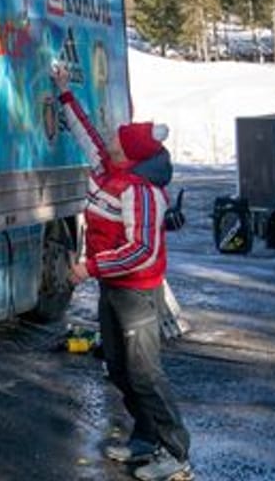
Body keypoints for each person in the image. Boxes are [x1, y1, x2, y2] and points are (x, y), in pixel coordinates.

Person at [53, 63, 193, 481]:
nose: (110, 139)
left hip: (136, 293)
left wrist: (89, 268)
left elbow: (143, 251)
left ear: (129, 155)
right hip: (113, 288)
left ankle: (175, 452)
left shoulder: (142, 193)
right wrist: (63, 91)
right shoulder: (109, 167)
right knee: (117, 366)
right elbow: (85, 133)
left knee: (145, 373)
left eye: (118, 139)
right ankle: (145, 439)